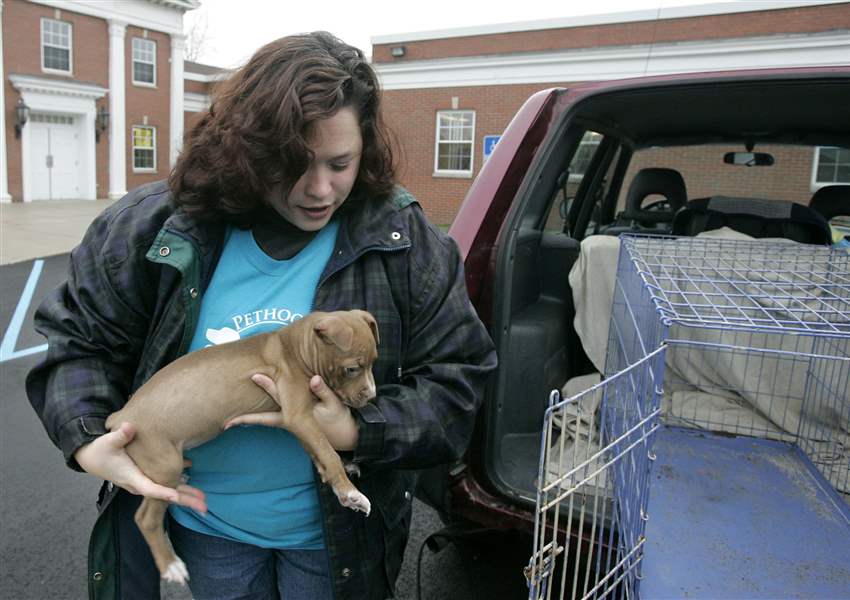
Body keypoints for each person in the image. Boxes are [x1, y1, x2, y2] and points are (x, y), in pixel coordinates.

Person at [26, 31, 496, 600]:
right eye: (293, 165)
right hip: (208, 531)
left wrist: (357, 429)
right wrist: (85, 435)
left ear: (364, 148)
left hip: (336, 545)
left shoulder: (404, 240)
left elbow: (459, 382)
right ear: (246, 149)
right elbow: (78, 343)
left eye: (340, 163)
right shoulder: (152, 228)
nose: (320, 190)